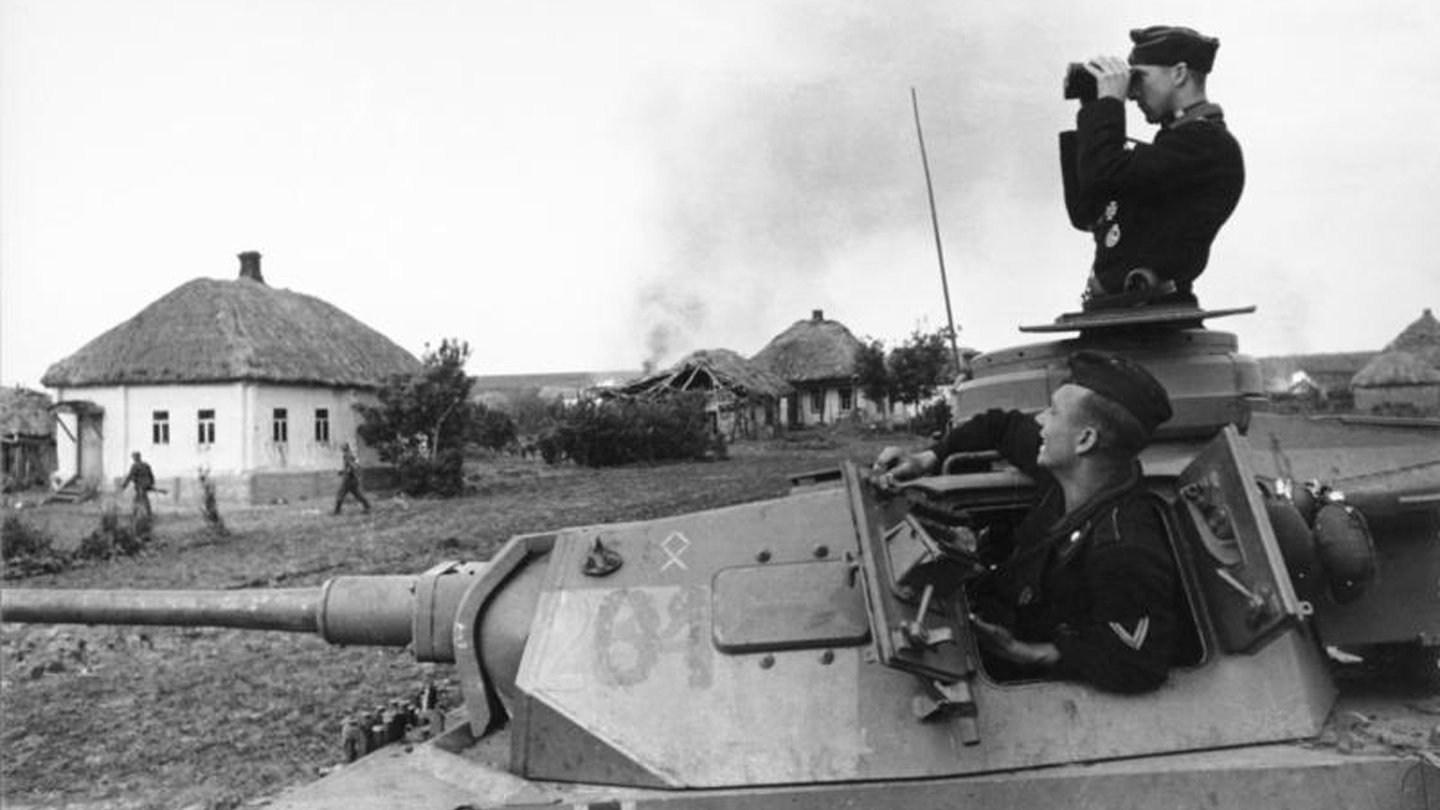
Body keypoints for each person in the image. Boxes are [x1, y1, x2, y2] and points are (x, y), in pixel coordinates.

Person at [874, 350, 1181, 694]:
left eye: (1052, 412)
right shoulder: (1071, 468)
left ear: (1085, 440)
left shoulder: (1125, 550)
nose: (1039, 421)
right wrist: (927, 458)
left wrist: (1028, 654)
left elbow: (1138, 664)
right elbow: (999, 425)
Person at [1060, 25, 1244, 307]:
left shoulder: (1206, 145)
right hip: (1121, 315)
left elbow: (1104, 175)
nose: (1132, 94)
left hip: (1152, 320)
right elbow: (1086, 211)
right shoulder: (1173, 146)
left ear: (1179, 73)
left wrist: (1109, 105)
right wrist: (1093, 103)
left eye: (1139, 77)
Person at [334, 442, 371, 515]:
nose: (341, 449)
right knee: (358, 494)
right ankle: (367, 507)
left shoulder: (348, 456)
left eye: (342, 448)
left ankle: (337, 511)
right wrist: (343, 472)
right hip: (352, 479)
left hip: (348, 480)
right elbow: (351, 466)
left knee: (340, 494)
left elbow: (353, 466)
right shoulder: (349, 455)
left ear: (345, 448)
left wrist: (346, 472)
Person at [120, 451, 156, 520]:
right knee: (142, 499)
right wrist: (151, 484)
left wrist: (123, 486)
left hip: (140, 486)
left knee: (139, 500)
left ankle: (139, 514)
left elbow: (129, 477)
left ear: (135, 458)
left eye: (134, 457)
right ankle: (147, 514)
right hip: (146, 485)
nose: (133, 459)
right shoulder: (146, 465)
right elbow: (151, 476)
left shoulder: (135, 466)